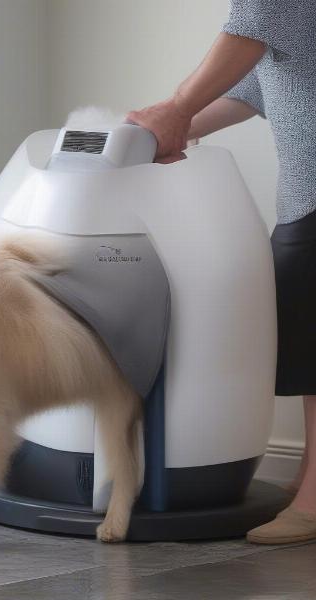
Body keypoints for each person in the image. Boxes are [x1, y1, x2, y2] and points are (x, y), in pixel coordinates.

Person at [127, 0, 316, 544]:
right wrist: (167, 130)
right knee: (308, 349)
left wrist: (176, 109)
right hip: (305, 201)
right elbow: (256, 87)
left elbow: (247, 33)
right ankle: (310, 478)